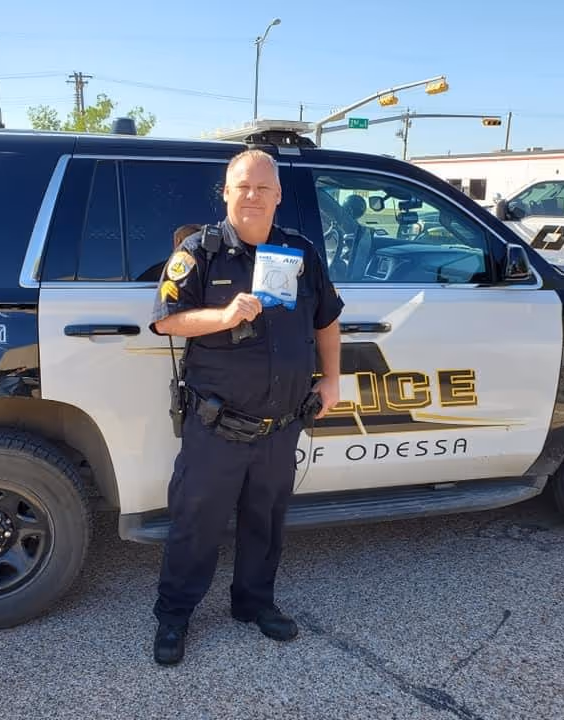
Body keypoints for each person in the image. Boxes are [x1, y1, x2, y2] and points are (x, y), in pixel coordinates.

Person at [148, 148, 344, 665]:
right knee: (197, 523)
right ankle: (174, 616)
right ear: (226, 193)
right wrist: (223, 316)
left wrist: (331, 379)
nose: (252, 196)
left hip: (281, 423)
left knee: (267, 521)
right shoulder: (200, 251)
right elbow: (167, 321)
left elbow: (326, 320)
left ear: (278, 195)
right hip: (217, 425)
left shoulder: (299, 252)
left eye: (263, 188)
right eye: (243, 186)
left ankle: (254, 603)